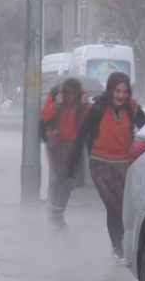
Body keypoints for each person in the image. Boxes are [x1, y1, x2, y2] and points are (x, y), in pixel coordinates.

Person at [70, 72, 145, 263]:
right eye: (117, 91)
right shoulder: (98, 108)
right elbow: (82, 134)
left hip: (125, 164)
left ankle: (125, 239)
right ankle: (117, 246)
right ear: (111, 90)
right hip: (100, 164)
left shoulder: (132, 108)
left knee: (126, 205)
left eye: (124, 91)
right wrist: (72, 165)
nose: (121, 95)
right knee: (112, 206)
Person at [40, 78, 90, 229]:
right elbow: (44, 116)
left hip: (74, 144)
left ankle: (59, 211)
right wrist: (56, 104)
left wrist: (86, 106)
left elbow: (89, 120)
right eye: (68, 96)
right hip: (55, 144)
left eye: (73, 96)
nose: (70, 99)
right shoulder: (55, 94)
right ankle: (54, 208)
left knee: (68, 181)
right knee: (57, 179)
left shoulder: (82, 98)